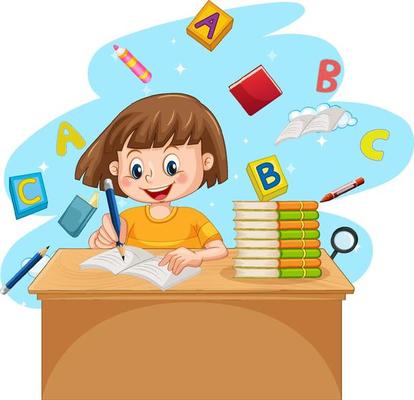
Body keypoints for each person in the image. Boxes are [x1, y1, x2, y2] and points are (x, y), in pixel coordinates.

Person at [75, 93, 228, 275]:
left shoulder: (194, 218)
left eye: (171, 167)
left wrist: (196, 256)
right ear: (116, 168)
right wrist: (101, 241)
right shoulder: (128, 219)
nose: (151, 179)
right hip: (137, 287)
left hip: (188, 287)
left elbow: (220, 250)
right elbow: (106, 247)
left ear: (206, 161)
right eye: (137, 170)